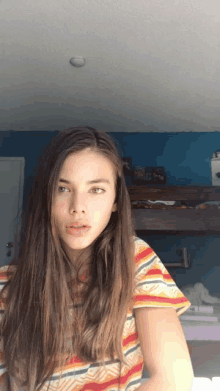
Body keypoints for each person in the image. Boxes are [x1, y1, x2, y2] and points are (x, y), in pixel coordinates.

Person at [0, 126, 194, 391]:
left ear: (115, 199)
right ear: (46, 197)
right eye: (62, 188)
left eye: (96, 190)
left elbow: (173, 379)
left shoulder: (134, 259)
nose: (77, 207)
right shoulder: (5, 287)